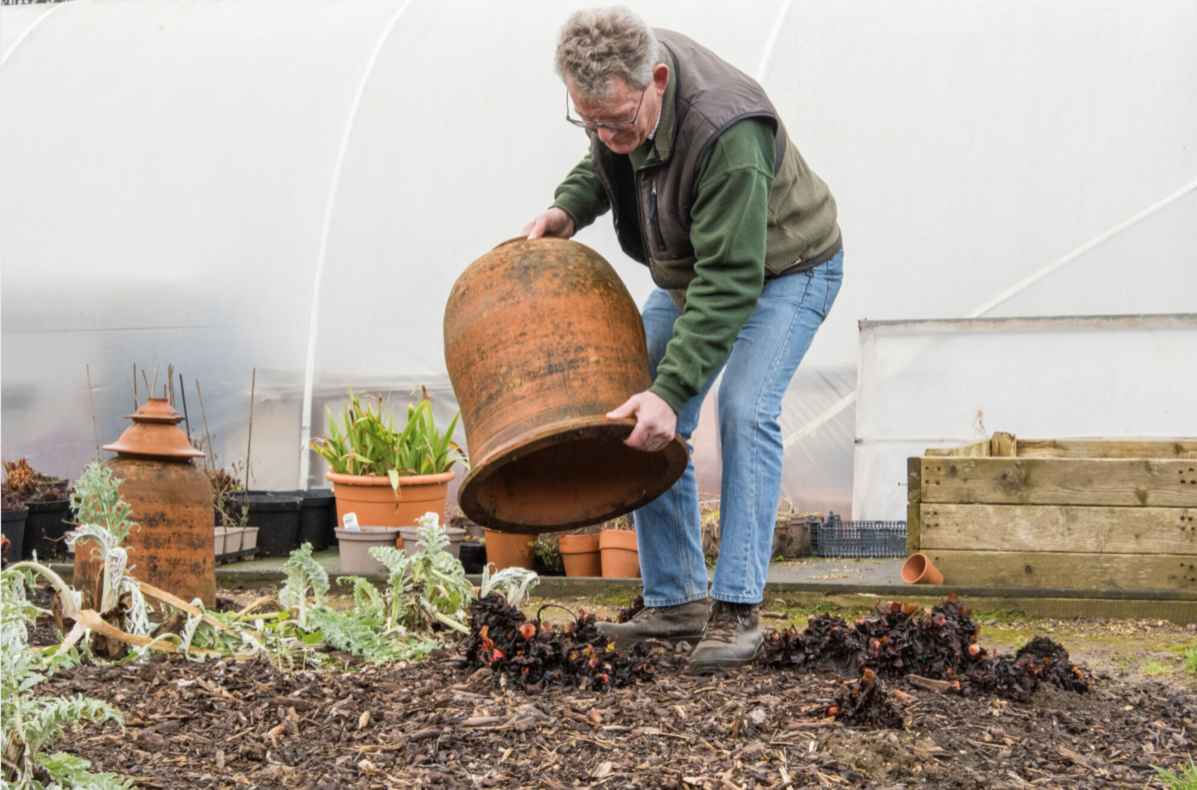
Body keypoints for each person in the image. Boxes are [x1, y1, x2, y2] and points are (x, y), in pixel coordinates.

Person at [523, 7, 843, 672]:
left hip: (785, 270)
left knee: (743, 408)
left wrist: (672, 392)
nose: (607, 135)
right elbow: (607, 160)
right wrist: (567, 208)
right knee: (634, 402)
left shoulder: (726, 132)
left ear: (658, 81)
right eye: (588, 121)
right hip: (698, 274)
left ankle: (736, 607)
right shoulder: (622, 91)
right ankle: (675, 600)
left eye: (616, 120)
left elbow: (730, 285)